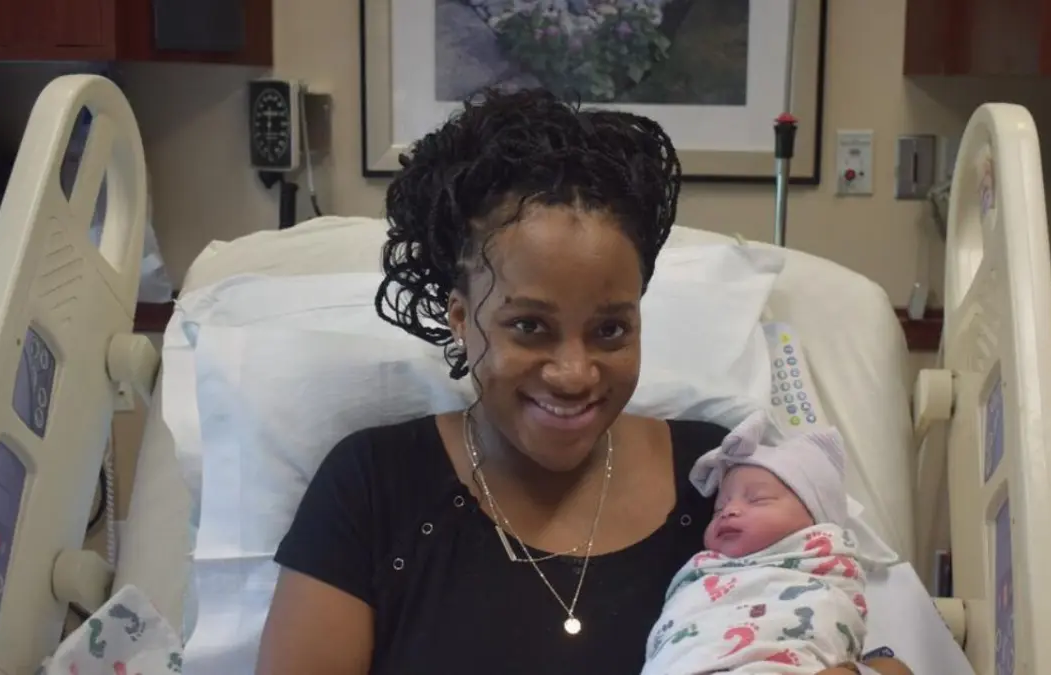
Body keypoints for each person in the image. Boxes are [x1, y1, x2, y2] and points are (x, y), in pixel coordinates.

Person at [255, 87, 913, 675]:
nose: (574, 373)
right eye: (529, 327)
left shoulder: (721, 479)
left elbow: (853, 630)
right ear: (460, 318)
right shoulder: (375, 488)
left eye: (610, 330)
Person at [642, 412, 870, 674]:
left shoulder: (824, 570)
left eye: (758, 499)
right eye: (719, 508)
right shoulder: (702, 575)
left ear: (815, 520)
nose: (729, 511)